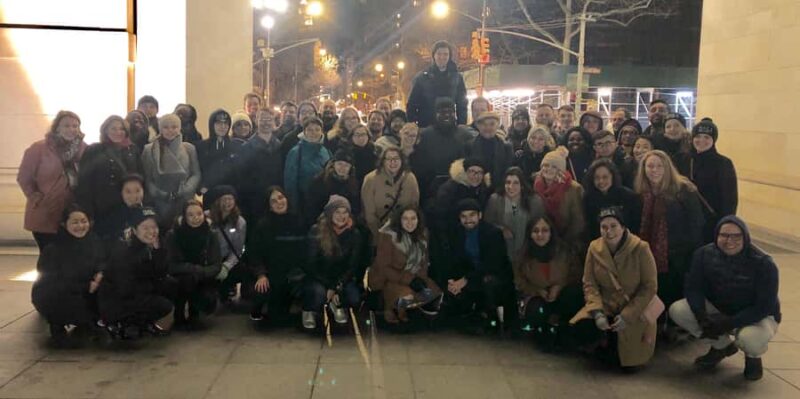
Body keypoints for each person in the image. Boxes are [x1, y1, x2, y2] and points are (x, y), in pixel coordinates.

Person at [669, 216, 781, 381]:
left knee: (750, 338)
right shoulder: (703, 254)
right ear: (716, 236)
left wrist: (729, 323)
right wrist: (702, 316)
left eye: (736, 236)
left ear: (746, 237)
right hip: (719, 308)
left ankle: (753, 357)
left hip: (756, 316)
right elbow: (694, 288)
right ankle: (721, 346)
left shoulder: (764, 264)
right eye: (724, 235)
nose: (730, 241)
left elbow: (763, 307)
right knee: (678, 310)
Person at [569, 207, 659, 369]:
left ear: (623, 227)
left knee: (626, 363)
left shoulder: (641, 248)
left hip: (634, 307)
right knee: (581, 329)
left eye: (613, 226)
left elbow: (649, 286)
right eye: (604, 227)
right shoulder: (594, 248)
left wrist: (627, 315)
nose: (609, 231)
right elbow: (590, 283)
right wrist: (597, 312)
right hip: (606, 305)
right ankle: (601, 342)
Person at [635, 150, 704, 314]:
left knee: (672, 296)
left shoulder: (683, 190)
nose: (655, 170)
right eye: (650, 166)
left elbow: (697, 223)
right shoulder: (640, 193)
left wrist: (686, 251)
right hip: (648, 254)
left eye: (660, 166)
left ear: (667, 168)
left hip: (676, 256)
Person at [32, 205, 106, 347]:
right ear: (64, 224)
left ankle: (85, 319)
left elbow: (102, 261)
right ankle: (58, 322)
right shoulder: (53, 249)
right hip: (56, 295)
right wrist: (87, 286)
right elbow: (52, 283)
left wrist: (100, 274)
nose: (80, 226)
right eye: (75, 222)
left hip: (84, 289)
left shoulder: (93, 241)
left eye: (84, 221)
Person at [437, 199, 514, 333]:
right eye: (464, 216)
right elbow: (452, 260)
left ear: (480, 215)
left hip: (493, 277)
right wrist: (452, 280)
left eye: (472, 215)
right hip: (469, 274)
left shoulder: (493, 233)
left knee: (488, 282)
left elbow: (493, 264)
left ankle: (491, 317)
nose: (468, 220)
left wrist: (465, 280)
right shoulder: (455, 233)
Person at [98, 207, 173, 339]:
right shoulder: (125, 250)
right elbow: (125, 288)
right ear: (134, 230)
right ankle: (124, 323)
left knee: (171, 285)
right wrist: (153, 286)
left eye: (154, 227)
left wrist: (158, 251)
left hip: (138, 292)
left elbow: (161, 273)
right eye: (145, 228)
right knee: (161, 303)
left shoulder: (153, 245)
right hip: (117, 300)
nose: (151, 232)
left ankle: (144, 323)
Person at [18, 110, 88, 249]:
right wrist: (35, 196)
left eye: (75, 126)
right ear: (57, 128)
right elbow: (24, 177)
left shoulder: (84, 149)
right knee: (48, 259)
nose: (71, 129)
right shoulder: (39, 148)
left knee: (70, 257)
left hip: (71, 213)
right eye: (66, 126)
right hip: (45, 211)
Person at [514, 216, 583, 350]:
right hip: (537, 296)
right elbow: (519, 280)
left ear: (551, 232)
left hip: (562, 295)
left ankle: (565, 332)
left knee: (573, 296)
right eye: (536, 231)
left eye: (545, 230)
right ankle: (541, 332)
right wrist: (537, 290)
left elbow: (577, 274)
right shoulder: (523, 255)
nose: (540, 235)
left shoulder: (565, 251)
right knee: (536, 310)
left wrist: (559, 286)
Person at [369, 206, 443, 324]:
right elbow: (384, 267)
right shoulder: (388, 236)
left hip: (413, 276)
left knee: (434, 294)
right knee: (407, 296)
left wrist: (420, 279)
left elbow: (424, 262)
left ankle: (411, 311)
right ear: (399, 220)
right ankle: (390, 308)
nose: (410, 223)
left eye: (413, 218)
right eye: (405, 219)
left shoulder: (423, 235)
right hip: (389, 278)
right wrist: (410, 280)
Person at [302, 196, 367, 329]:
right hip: (319, 277)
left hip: (340, 279)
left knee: (354, 297)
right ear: (330, 213)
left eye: (345, 212)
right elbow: (311, 264)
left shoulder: (354, 234)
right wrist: (328, 285)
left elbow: (352, 266)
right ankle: (309, 310)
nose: (341, 216)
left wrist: (336, 287)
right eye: (337, 212)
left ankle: (336, 304)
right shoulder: (317, 231)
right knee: (318, 294)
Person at [247, 186, 308, 322]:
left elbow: (305, 250)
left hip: (293, 274)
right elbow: (254, 254)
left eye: (281, 198)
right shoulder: (262, 226)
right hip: (271, 274)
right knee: (264, 295)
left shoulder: (298, 221)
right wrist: (261, 274)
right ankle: (257, 307)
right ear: (269, 206)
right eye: (274, 201)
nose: (279, 202)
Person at [76, 115, 142, 225]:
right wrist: (87, 210)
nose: (118, 132)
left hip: (128, 204)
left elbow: (140, 175)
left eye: (121, 129)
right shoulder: (94, 150)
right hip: (101, 206)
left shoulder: (132, 150)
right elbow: (84, 182)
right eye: (113, 128)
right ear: (105, 130)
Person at [165, 200, 222, 329]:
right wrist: (192, 269)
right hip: (180, 278)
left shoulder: (211, 234)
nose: (196, 218)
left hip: (201, 277)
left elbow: (216, 265)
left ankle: (195, 311)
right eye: (190, 215)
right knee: (185, 281)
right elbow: (170, 265)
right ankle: (178, 313)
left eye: (199, 213)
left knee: (207, 299)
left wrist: (200, 272)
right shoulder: (173, 235)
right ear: (184, 216)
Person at [141, 114, 202, 229]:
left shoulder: (189, 148)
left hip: (184, 200)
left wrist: (185, 189)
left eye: (174, 127)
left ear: (179, 128)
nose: (170, 130)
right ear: (160, 128)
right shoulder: (149, 150)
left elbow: (196, 173)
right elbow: (147, 178)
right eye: (166, 127)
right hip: (159, 202)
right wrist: (160, 194)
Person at [412, 97, 474, 202]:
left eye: (450, 112)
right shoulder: (425, 136)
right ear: (435, 114)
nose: (446, 115)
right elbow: (418, 165)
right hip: (430, 193)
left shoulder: (465, 136)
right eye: (442, 112)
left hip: (459, 191)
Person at [688, 118, 738, 243]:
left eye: (707, 137)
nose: (701, 141)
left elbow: (730, 198)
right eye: (698, 136)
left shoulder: (723, 163)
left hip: (711, 222)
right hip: (685, 221)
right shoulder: (684, 159)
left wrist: (726, 224)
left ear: (713, 140)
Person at [484, 167, 545, 259]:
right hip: (503, 251)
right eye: (508, 182)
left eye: (516, 183)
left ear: (522, 185)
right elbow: (487, 224)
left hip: (528, 251)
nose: (511, 186)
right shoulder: (495, 200)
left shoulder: (535, 201)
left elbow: (542, 225)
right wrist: (501, 229)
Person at [235, 108, 283, 224]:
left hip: (275, 198)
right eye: (263, 119)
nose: (266, 123)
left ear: (273, 122)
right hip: (255, 200)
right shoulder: (247, 147)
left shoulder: (280, 146)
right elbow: (242, 177)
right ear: (256, 121)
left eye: (269, 119)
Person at [361, 147, 420, 239]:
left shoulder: (410, 178)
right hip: (379, 231)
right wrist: (379, 235)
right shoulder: (370, 179)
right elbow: (369, 214)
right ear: (383, 161)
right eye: (388, 159)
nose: (393, 162)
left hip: (405, 233)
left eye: (396, 158)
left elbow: (414, 207)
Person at [406, 40, 468, 127]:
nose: (442, 57)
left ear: (449, 56)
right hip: (427, 126)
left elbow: (462, 104)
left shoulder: (457, 78)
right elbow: (412, 104)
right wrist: (413, 125)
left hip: (449, 126)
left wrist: (461, 125)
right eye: (439, 54)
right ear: (434, 56)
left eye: (445, 54)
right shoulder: (422, 78)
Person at [532, 147, 585, 247]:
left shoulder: (574, 188)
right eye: (546, 165)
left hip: (568, 241)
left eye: (554, 167)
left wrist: (564, 242)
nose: (549, 169)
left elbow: (578, 221)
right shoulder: (536, 186)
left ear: (561, 170)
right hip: (543, 239)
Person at [204, 186, 247, 305]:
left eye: (230, 199)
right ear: (217, 201)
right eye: (224, 199)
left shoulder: (240, 222)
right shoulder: (205, 217)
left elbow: (237, 250)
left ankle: (227, 287)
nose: (227, 202)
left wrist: (226, 266)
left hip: (226, 259)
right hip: (208, 261)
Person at [431, 158, 491, 238]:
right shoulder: (449, 190)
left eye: (480, 172)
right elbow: (440, 217)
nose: (476, 175)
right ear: (464, 172)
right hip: (452, 233)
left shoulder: (483, 190)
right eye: (472, 171)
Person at [583, 159, 642, 241]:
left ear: (613, 176)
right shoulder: (588, 198)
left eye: (605, 177)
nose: (601, 181)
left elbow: (635, 226)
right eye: (597, 177)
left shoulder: (629, 197)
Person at [284, 116, 331, 207]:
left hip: (323, 202)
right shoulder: (296, 152)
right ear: (304, 132)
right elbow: (290, 182)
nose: (314, 133)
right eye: (310, 130)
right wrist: (293, 206)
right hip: (304, 203)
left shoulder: (325, 150)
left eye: (317, 129)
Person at [307, 150, 361, 220]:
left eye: (346, 165)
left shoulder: (354, 184)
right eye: (339, 164)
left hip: (345, 221)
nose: (342, 168)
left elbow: (355, 208)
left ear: (350, 168)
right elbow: (312, 207)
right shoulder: (320, 181)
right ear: (333, 164)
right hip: (322, 221)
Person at [196, 109, 241, 194]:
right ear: (211, 125)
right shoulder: (201, 146)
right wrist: (202, 187)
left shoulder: (237, 146)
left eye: (226, 123)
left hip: (231, 194)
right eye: (219, 123)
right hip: (209, 192)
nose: (223, 127)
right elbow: (198, 171)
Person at [467, 111, 513, 192]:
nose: (488, 127)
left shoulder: (506, 148)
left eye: (492, 124)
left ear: (497, 125)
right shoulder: (468, 147)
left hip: (499, 193)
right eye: (484, 124)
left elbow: (509, 173)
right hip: (475, 192)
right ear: (478, 126)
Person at [96, 174, 147, 241]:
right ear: (121, 193)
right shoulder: (112, 214)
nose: (133, 195)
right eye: (128, 192)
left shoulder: (153, 210)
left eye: (137, 191)